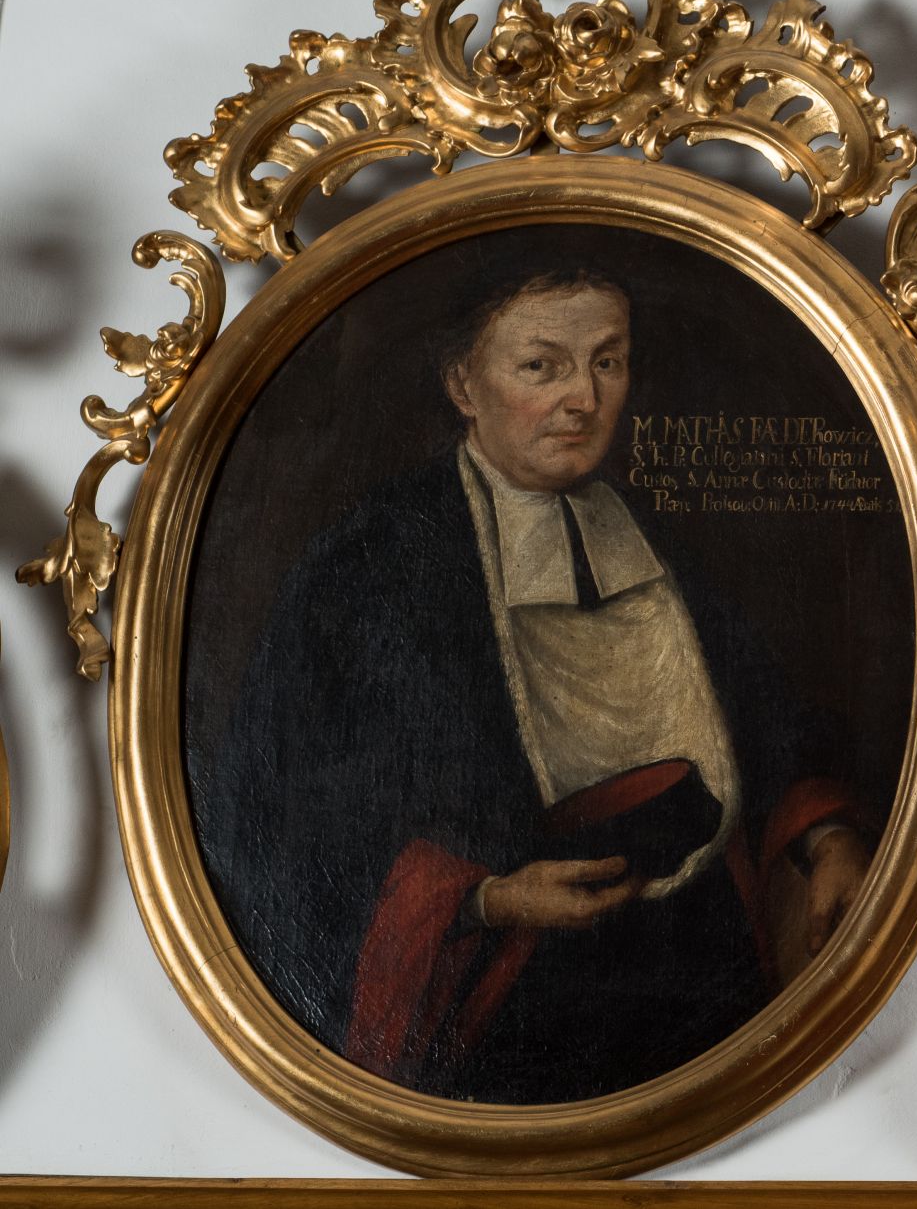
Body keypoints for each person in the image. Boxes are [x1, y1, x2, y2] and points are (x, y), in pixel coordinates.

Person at [202, 261, 874, 1104]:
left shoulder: (657, 538)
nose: (583, 399)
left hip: (707, 961)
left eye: (606, 361)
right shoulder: (370, 565)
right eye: (541, 366)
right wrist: (486, 899)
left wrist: (828, 837)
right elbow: (287, 822)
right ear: (463, 384)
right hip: (509, 994)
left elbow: (766, 720)